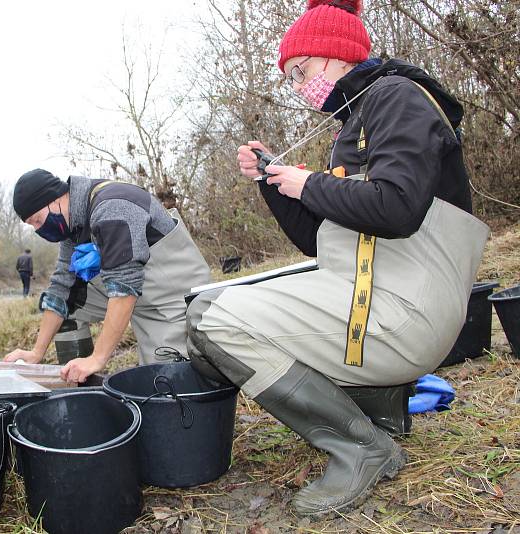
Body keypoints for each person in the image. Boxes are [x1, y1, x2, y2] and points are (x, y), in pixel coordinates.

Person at [185, 0, 489, 516]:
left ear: (337, 56)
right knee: (210, 307)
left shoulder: (397, 98)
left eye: (302, 71)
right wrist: (277, 184)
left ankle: (360, 448)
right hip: (373, 299)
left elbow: (396, 209)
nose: (300, 86)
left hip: (404, 309)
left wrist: (312, 183)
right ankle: (379, 409)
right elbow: (319, 241)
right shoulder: (356, 124)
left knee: (211, 319)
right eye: (291, 78)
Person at [5, 169, 210, 382]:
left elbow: (124, 287)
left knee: (165, 381)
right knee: (64, 308)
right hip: (137, 290)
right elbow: (61, 288)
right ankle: (81, 384)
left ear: (55, 198)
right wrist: (36, 353)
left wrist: (98, 358)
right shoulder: (71, 225)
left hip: (172, 295)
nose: (38, 229)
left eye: (37, 220)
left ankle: (95, 365)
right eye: (32, 225)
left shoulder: (112, 206)